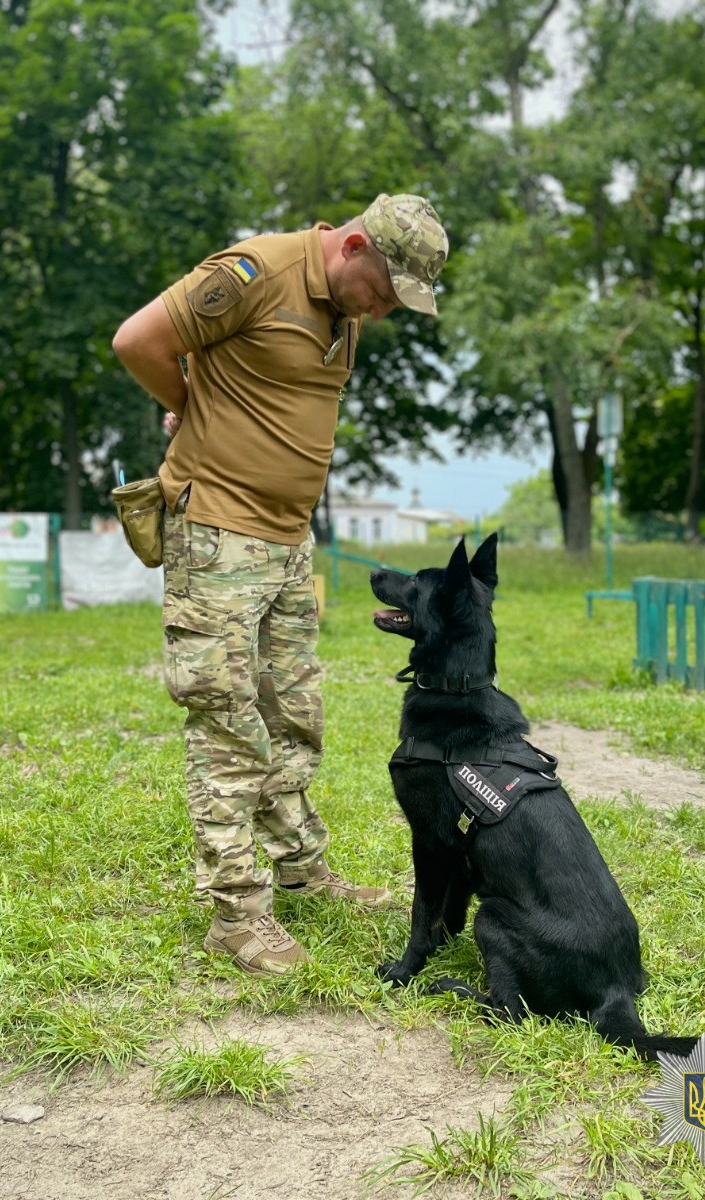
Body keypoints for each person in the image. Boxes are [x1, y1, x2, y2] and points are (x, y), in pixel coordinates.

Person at [112, 194, 450, 975]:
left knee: (292, 711)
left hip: (290, 541)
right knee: (227, 720)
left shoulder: (345, 307)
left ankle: (301, 867)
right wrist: (190, 406)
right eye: (383, 291)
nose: (383, 311)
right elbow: (138, 341)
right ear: (354, 247)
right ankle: (236, 914)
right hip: (220, 533)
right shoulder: (257, 271)